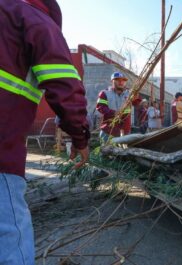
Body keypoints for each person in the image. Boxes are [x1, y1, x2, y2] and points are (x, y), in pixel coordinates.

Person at [0, 0, 90, 263]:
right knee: (9, 239)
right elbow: (64, 84)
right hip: (2, 149)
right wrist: (80, 137)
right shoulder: (33, 17)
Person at [96, 72, 141, 143]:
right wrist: (113, 113)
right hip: (108, 130)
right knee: (105, 151)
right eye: (117, 80)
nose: (121, 82)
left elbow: (137, 103)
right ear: (112, 81)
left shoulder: (129, 93)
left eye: (123, 80)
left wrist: (136, 95)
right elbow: (100, 107)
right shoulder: (105, 93)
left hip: (125, 130)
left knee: (124, 152)